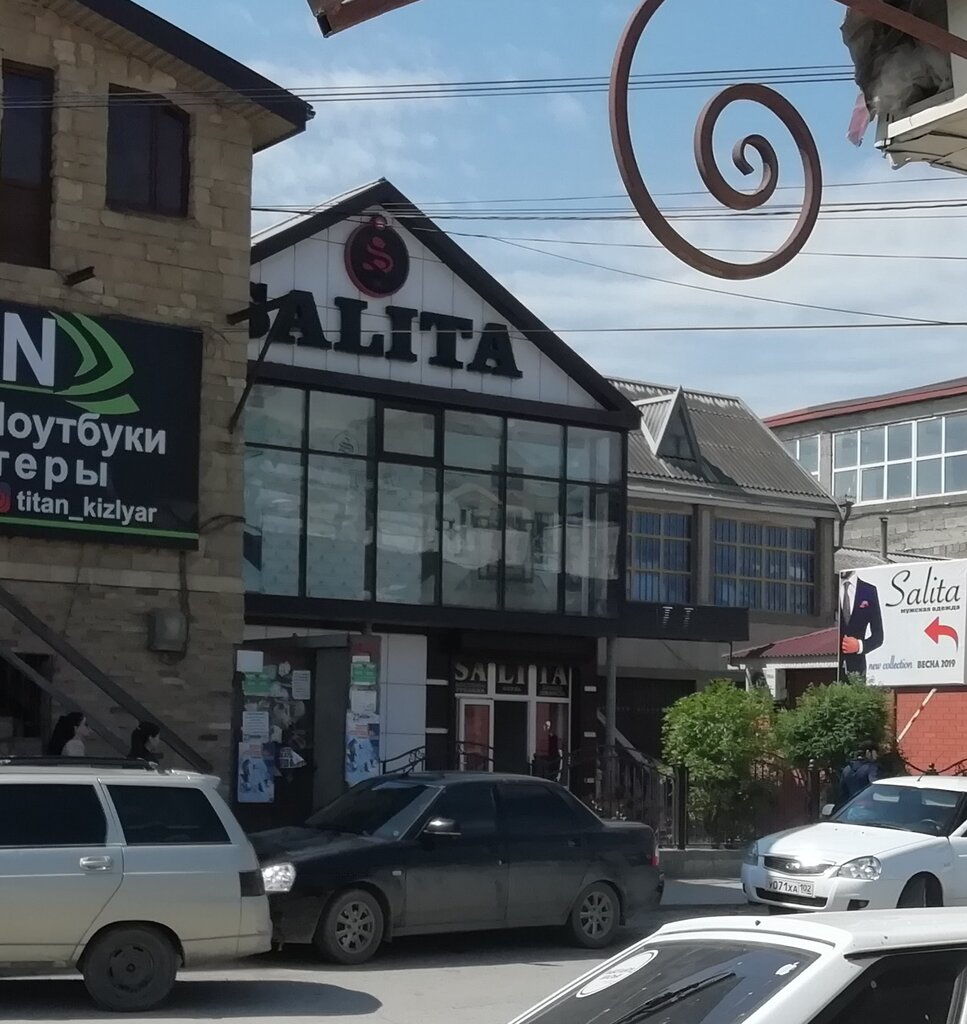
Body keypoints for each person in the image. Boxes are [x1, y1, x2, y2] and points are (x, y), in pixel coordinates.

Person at [840, 571, 884, 678]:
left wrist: (859, 646)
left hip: (857, 669)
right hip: (829, 667)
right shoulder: (828, 587)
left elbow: (878, 636)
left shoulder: (868, 591)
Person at [839, 739, 880, 807]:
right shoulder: (871, 768)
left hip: (850, 809)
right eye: (875, 752)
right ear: (868, 752)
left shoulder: (847, 769)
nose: (877, 755)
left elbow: (842, 794)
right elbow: (877, 788)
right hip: (868, 808)